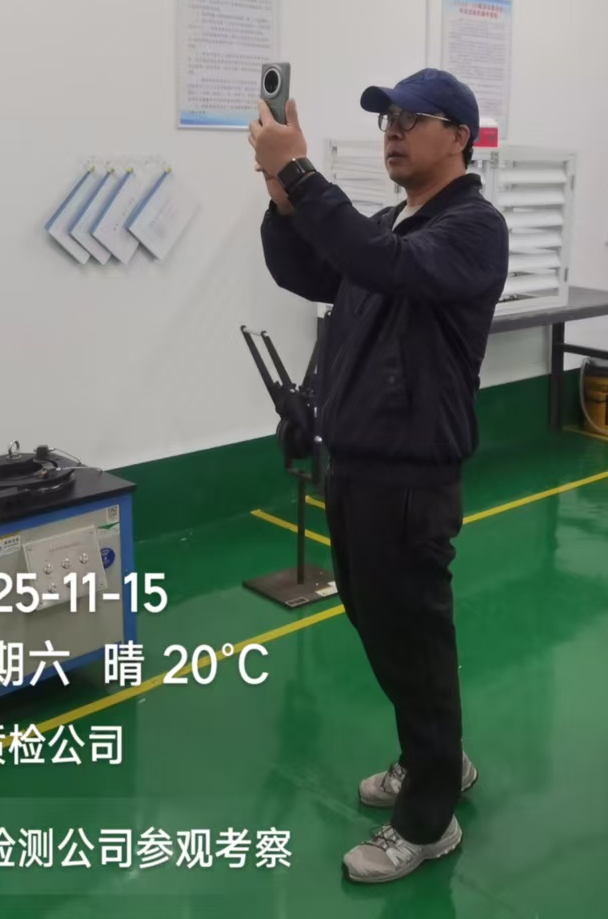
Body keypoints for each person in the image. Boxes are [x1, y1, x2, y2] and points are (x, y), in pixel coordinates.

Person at [250, 67, 508, 882]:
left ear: (458, 137)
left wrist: (299, 171)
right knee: (380, 626)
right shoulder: (390, 221)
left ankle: (429, 818)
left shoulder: (473, 227)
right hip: (356, 460)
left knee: (414, 640)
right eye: (386, 118)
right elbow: (312, 270)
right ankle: (437, 758)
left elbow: (386, 265)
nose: (392, 130)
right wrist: (281, 199)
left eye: (410, 118)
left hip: (410, 473)